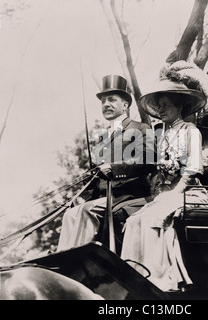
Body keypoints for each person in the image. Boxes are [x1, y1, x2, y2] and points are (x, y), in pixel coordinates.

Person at [120, 61, 208, 292]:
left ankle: (160, 278)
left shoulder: (191, 131)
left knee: (153, 219)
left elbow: (192, 171)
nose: (161, 110)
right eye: (158, 106)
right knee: (132, 221)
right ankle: (136, 277)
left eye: (166, 105)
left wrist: (170, 196)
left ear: (180, 106)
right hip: (166, 195)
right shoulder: (161, 135)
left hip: (190, 193)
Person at [57, 75, 155, 252]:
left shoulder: (140, 129)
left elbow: (149, 160)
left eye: (111, 99)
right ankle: (64, 257)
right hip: (104, 198)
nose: (106, 104)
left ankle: (81, 259)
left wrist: (115, 169)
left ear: (125, 105)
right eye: (103, 101)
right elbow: (99, 176)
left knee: (86, 211)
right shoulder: (103, 137)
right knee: (70, 214)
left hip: (130, 196)